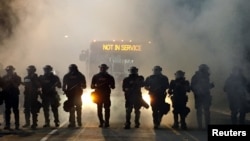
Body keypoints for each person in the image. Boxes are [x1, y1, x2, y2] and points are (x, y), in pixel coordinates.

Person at [90, 64, 115, 128]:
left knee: (103, 109)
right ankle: (103, 122)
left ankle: (105, 122)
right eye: (102, 68)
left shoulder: (108, 77)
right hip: (100, 95)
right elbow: (92, 86)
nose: (103, 69)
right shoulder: (109, 77)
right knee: (102, 109)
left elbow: (113, 87)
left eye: (103, 68)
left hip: (104, 95)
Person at [191, 64, 214, 129]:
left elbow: (206, 86)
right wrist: (197, 91)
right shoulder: (196, 77)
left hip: (205, 95)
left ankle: (205, 125)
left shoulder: (206, 76)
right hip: (199, 95)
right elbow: (193, 86)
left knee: (205, 111)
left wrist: (210, 86)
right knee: (200, 111)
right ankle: (200, 126)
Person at [1, 65, 21, 130]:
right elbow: (2, 86)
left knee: (15, 110)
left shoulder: (17, 77)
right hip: (7, 96)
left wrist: (12, 81)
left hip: (14, 95)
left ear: (13, 70)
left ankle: (17, 125)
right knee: (7, 111)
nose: (9, 71)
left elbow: (16, 85)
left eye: (11, 70)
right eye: (8, 70)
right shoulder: (4, 77)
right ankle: (7, 124)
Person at [22, 65, 42, 130]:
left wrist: (33, 81)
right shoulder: (26, 77)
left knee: (34, 110)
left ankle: (34, 123)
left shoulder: (36, 77)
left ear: (33, 70)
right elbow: (26, 84)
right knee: (26, 109)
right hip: (27, 95)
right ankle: (27, 122)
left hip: (34, 95)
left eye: (30, 70)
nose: (29, 71)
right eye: (28, 70)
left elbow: (39, 85)